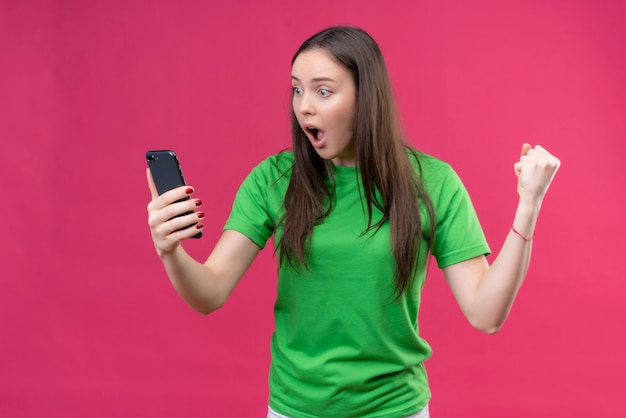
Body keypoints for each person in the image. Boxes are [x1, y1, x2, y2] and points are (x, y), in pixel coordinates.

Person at [146, 26, 560, 418]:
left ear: (366, 98)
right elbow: (210, 292)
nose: (304, 105)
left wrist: (529, 205)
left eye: (323, 91)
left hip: (396, 408)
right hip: (294, 409)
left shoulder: (433, 182)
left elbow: (486, 314)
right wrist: (169, 250)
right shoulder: (273, 179)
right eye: (297, 89)